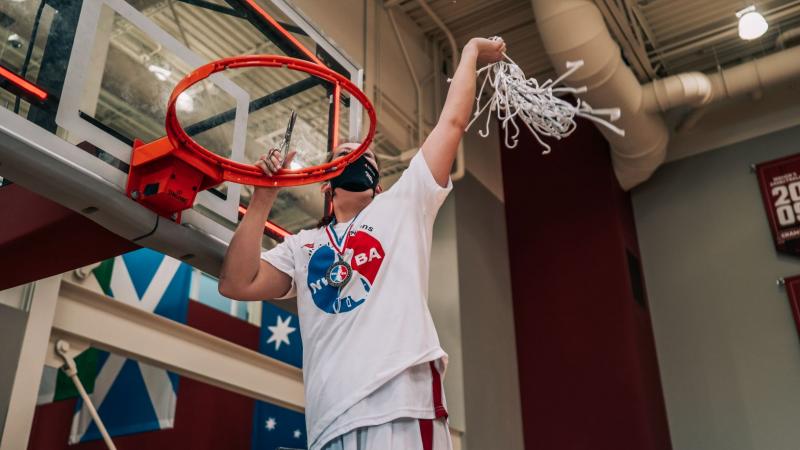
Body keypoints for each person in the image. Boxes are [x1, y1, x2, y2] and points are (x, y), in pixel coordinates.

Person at [219, 37, 506, 450]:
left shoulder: (404, 206)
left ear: (378, 181)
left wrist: (471, 54)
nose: (354, 158)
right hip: (329, 420)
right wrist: (263, 196)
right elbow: (236, 283)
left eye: (363, 156)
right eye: (342, 155)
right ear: (325, 181)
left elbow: (452, 124)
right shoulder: (303, 246)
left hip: (401, 403)